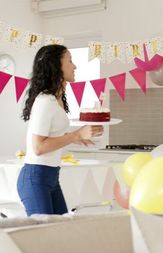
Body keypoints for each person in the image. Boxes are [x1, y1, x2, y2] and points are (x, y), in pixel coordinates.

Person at [18, 44, 103, 215]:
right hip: (36, 177)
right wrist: (75, 135)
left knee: (61, 229)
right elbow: (39, 147)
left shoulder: (56, 100)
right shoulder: (45, 101)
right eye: (70, 61)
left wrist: (76, 137)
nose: (75, 66)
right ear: (56, 66)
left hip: (51, 176)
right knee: (46, 235)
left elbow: (52, 135)